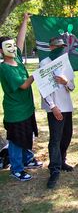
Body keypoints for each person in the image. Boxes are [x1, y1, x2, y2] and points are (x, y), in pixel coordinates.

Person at [0, 13, 42, 181]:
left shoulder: (16, 57)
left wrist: (24, 20)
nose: (12, 48)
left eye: (11, 46)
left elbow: (20, 41)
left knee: (27, 135)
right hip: (15, 111)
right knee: (16, 139)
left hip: (27, 108)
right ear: (1, 50)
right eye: (7, 46)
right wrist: (37, 73)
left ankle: (27, 159)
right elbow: (24, 85)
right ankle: (16, 169)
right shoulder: (4, 68)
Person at [39, 37, 75, 189]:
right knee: (55, 138)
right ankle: (54, 169)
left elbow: (72, 86)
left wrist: (65, 82)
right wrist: (53, 107)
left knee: (67, 135)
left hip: (67, 106)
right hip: (55, 108)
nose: (61, 48)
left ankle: (61, 160)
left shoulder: (66, 62)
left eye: (63, 46)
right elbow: (43, 88)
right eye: (58, 46)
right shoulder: (44, 63)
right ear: (51, 47)